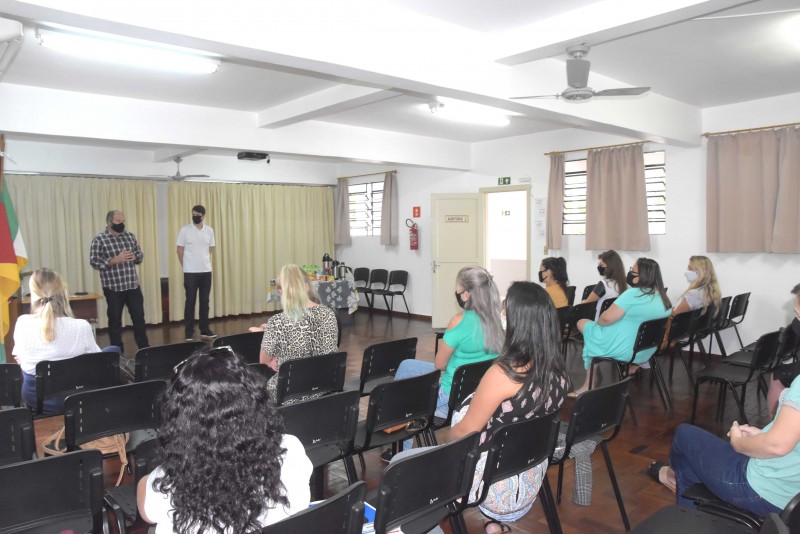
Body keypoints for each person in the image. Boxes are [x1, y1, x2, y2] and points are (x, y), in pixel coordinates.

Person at [391, 282, 569, 533]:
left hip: (491, 487)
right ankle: (492, 526)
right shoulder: (557, 371)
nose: (501, 314)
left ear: (518, 321)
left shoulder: (506, 374)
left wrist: (444, 442)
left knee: (401, 464)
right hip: (527, 477)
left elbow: (463, 433)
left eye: (505, 309)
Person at [137, 346, 312, 532]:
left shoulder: (173, 478)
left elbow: (146, 512)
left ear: (181, 417)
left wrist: (147, 479)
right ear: (254, 398)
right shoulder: (290, 449)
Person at [381, 265, 504, 462]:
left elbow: (439, 364)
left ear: (466, 294)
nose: (455, 292)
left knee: (405, 398)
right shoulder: (496, 319)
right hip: (476, 389)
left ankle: (400, 445)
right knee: (406, 365)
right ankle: (398, 425)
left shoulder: (459, 320)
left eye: (457, 288)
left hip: (448, 396)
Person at [649, 371, 800, 517]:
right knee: (689, 467)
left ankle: (671, 477)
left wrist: (738, 442)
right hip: (791, 493)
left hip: (765, 492)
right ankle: (691, 512)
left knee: (684, 435)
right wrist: (764, 435)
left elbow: (777, 446)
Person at [12, 268, 119, 414]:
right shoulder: (81, 326)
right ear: (63, 294)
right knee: (113, 351)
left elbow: (20, 359)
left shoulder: (22, 323)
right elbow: (97, 362)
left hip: (36, 400)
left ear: (34, 296)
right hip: (75, 398)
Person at [572, 257, 672, 396]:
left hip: (624, 348)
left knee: (583, 324)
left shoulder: (633, 294)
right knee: (591, 329)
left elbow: (605, 318)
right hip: (646, 350)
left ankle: (590, 382)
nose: (630, 273)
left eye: (633, 270)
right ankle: (621, 366)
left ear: (642, 275)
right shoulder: (662, 297)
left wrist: (600, 322)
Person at [260, 264, 338, 402]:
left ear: (280, 291)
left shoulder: (277, 322)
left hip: (289, 392)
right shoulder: (329, 314)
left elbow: (263, 362)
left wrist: (274, 356)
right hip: (324, 386)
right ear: (307, 286)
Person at [89, 210, 149, 353]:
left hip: (132, 285)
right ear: (109, 222)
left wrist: (135, 256)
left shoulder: (130, 236)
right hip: (113, 287)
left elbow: (140, 255)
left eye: (123, 221)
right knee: (115, 321)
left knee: (139, 318)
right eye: (118, 222)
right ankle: (117, 352)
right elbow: (94, 262)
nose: (121, 224)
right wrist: (114, 260)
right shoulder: (100, 239)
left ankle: (145, 349)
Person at [177, 204, 217, 341]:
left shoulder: (209, 231)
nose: (195, 217)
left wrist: (202, 260)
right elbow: (180, 250)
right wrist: (186, 265)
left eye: (198, 215)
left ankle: (204, 329)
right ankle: (189, 332)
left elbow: (210, 248)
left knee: (205, 302)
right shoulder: (185, 230)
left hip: (206, 271)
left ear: (203, 216)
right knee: (190, 302)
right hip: (190, 272)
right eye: (193, 214)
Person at [581, 250, 627, 321]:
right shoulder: (625, 285)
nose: (599, 267)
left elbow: (586, 304)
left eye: (601, 265)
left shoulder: (604, 284)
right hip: (617, 324)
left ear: (610, 267)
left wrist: (583, 301)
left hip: (600, 324)